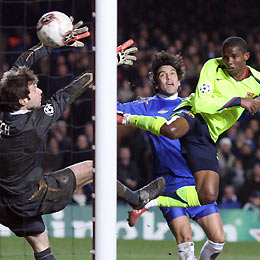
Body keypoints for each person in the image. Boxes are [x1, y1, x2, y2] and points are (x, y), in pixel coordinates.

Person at [0, 29, 165, 260]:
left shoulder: (4, 102)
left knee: (42, 249)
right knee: (91, 168)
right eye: (34, 90)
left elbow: (19, 65)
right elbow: (67, 93)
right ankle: (136, 198)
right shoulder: (33, 123)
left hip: (4, 200)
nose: (40, 91)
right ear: (23, 100)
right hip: (30, 198)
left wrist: (49, 43)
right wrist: (106, 66)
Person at [118, 36, 260, 208]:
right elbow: (201, 104)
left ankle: (149, 202)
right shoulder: (213, 66)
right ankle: (127, 118)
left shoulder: (256, 81)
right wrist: (240, 100)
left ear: (246, 56)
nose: (229, 61)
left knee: (208, 195)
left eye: (234, 57)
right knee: (172, 130)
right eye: (225, 57)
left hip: (209, 134)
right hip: (193, 114)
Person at [117, 51, 225, 260]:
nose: (169, 77)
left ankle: (145, 204)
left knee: (218, 240)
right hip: (169, 182)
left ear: (179, 78)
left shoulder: (193, 105)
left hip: (197, 180)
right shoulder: (146, 106)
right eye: (163, 75)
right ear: (156, 83)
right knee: (185, 239)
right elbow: (109, 109)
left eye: (173, 73)